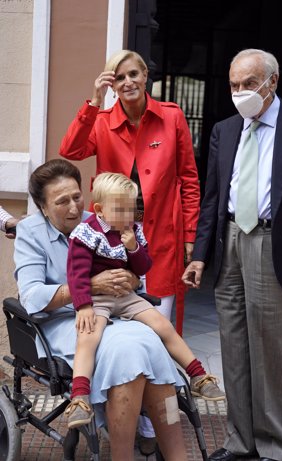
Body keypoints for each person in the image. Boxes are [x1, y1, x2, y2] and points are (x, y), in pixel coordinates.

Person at [59, 48, 223, 454]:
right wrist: (93, 103)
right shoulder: (102, 119)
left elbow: (188, 179)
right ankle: (119, 412)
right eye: (119, 77)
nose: (127, 82)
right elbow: (71, 151)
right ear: (111, 82)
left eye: (133, 74)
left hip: (159, 241)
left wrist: (190, 240)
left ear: (146, 75)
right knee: (116, 337)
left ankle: (155, 418)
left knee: (158, 329)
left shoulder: (171, 116)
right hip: (110, 244)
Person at [14, 158, 188, 461]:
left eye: (77, 197)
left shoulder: (105, 219)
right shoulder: (31, 232)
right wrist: (89, 286)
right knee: (129, 349)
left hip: (118, 313)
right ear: (42, 208)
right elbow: (31, 296)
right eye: (61, 202)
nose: (73, 208)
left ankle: (174, 452)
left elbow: (139, 275)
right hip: (66, 322)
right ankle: (127, 452)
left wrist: (131, 277)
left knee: (149, 341)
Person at [182, 48, 282, 461]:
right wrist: (199, 254)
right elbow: (213, 197)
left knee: (272, 350)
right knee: (234, 345)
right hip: (229, 240)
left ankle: (278, 448)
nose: (240, 92)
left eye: (249, 84)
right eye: (234, 85)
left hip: (275, 245)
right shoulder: (225, 130)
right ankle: (241, 442)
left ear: (272, 82)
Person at [65, 171, 224, 429]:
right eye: (121, 210)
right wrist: (83, 305)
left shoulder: (133, 231)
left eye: (132, 209)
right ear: (100, 210)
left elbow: (143, 268)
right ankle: (79, 397)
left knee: (162, 325)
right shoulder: (87, 233)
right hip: (98, 298)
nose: (129, 216)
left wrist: (133, 248)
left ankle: (198, 376)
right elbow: (77, 273)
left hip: (127, 295)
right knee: (88, 336)